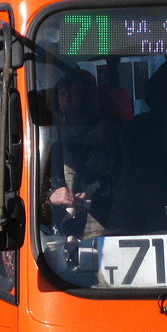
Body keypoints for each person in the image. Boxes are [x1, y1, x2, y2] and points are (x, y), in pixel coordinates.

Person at [48, 68, 120, 239]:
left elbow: (117, 176)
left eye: (75, 94)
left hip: (101, 219)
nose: (68, 99)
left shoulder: (107, 131)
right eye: (63, 93)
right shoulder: (48, 132)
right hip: (59, 225)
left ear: (89, 98)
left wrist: (91, 193)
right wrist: (51, 195)